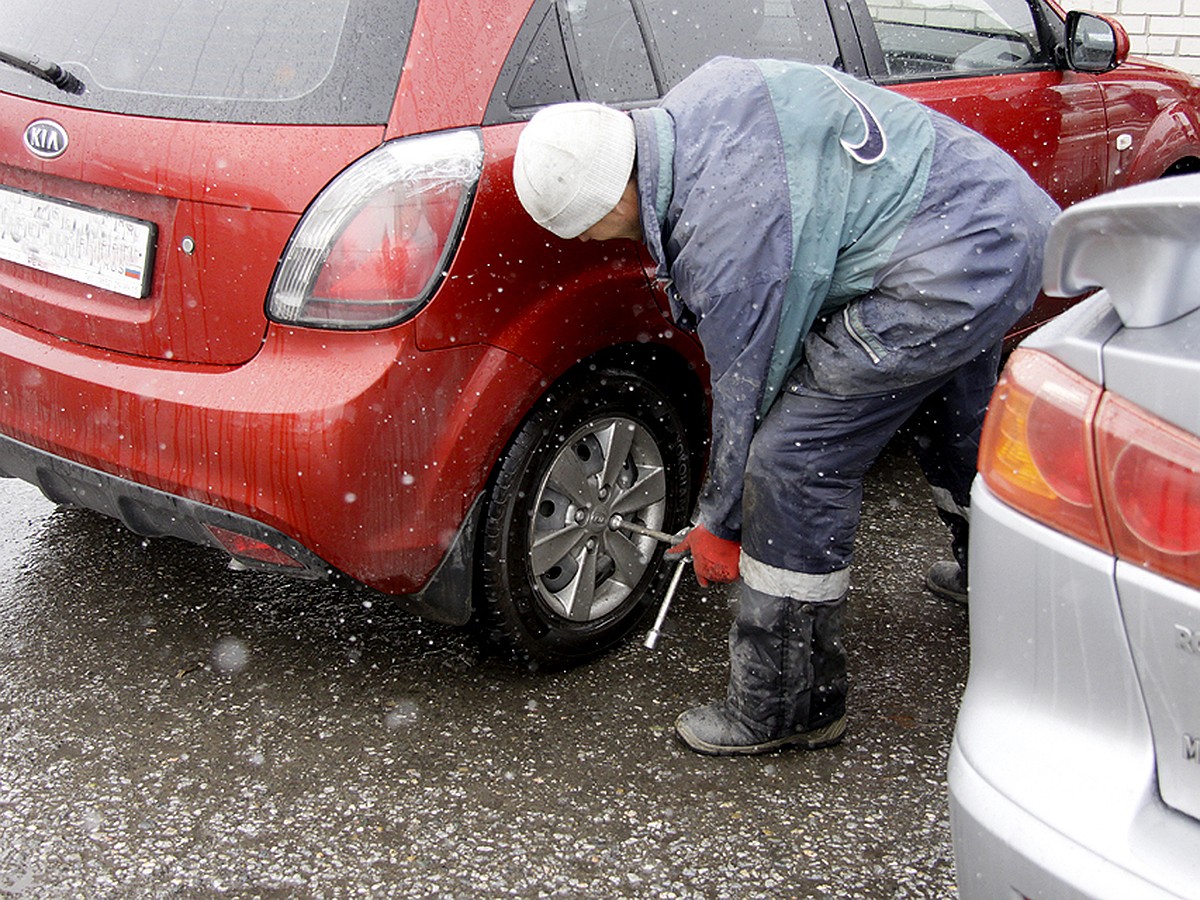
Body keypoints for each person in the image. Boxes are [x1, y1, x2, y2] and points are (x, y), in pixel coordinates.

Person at [511, 57, 1058, 756]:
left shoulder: (728, 234)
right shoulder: (702, 97)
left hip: (948, 268)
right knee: (948, 410)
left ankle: (791, 704)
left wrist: (723, 523)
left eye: (588, 230)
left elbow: (751, 394)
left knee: (794, 461)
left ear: (613, 198)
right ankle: (1002, 582)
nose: (594, 244)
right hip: (990, 216)